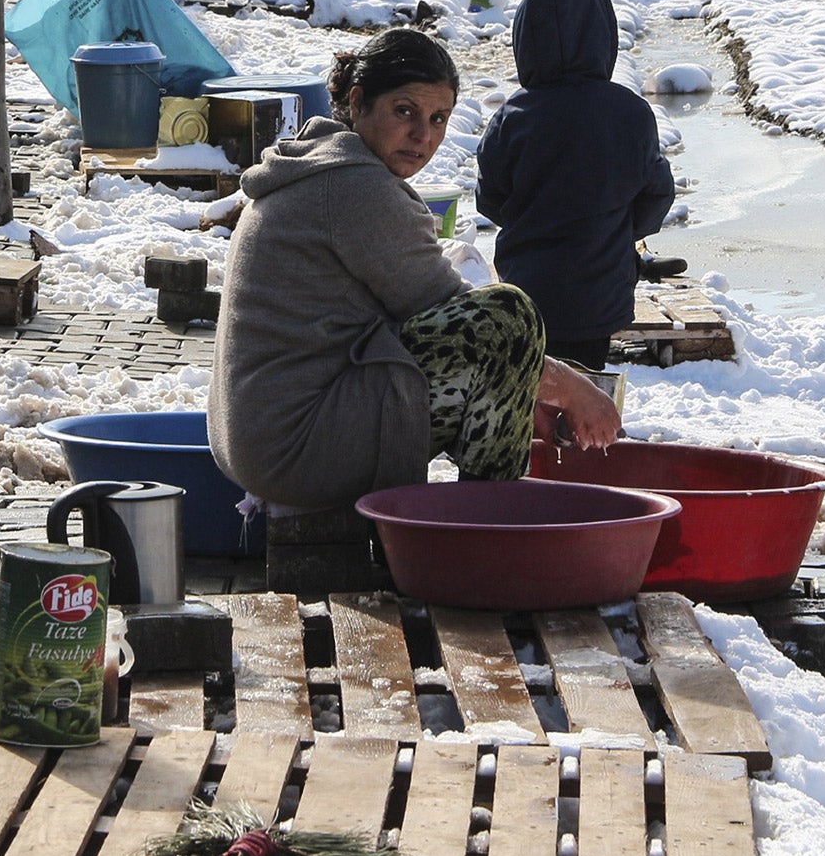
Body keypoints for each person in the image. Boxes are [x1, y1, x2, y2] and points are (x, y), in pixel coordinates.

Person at [210, 29, 621, 513]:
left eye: (438, 119)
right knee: (511, 315)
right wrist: (573, 389)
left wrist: (519, 397)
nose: (423, 136)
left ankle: (488, 518)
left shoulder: (323, 166)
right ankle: (493, 527)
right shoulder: (354, 187)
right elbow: (473, 324)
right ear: (358, 103)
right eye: (404, 111)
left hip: (264, 443)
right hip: (300, 449)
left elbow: (429, 326)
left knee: (504, 338)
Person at [477, 0, 675, 372]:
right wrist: (621, 229)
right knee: (586, 384)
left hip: (526, 295)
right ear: (604, 34)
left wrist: (532, 217)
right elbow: (656, 193)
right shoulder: (629, 112)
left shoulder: (513, 115)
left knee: (530, 388)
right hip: (598, 292)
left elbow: (489, 198)